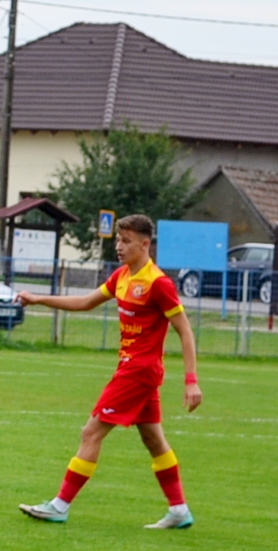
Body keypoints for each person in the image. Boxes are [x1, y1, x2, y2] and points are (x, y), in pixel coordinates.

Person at [15, 215, 202, 529]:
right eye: (118, 240)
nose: (119, 246)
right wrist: (39, 299)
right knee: (154, 440)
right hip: (135, 370)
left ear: (145, 244)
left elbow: (185, 331)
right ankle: (179, 510)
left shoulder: (159, 284)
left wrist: (191, 381)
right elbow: (86, 302)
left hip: (138, 372)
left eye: (126, 241)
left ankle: (59, 505)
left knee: (91, 433)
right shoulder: (122, 276)